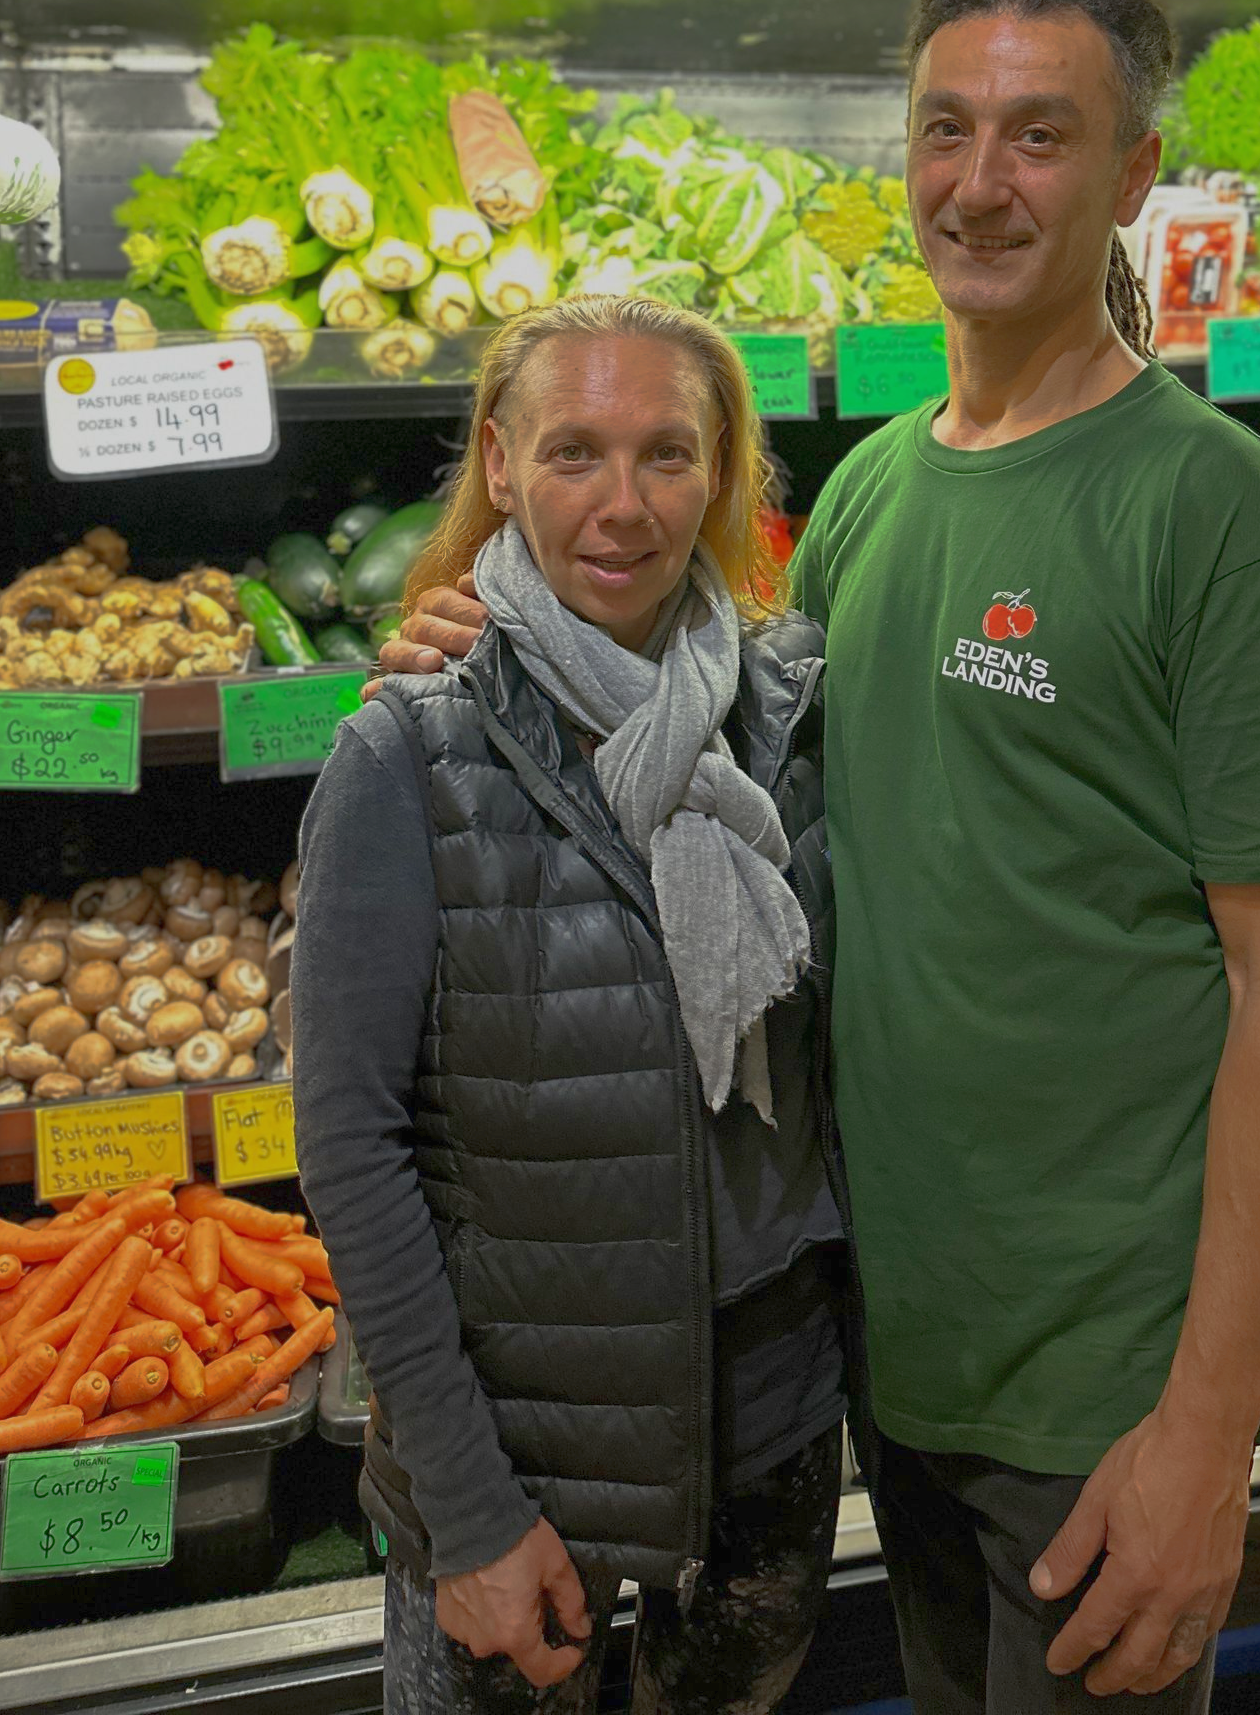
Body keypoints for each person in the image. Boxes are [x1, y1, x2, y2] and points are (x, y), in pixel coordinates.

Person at [379, 0, 1260, 1713]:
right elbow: (708, 772)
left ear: (1134, 173)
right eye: (947, 128)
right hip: (898, 1359)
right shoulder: (869, 500)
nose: (980, 183)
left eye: (1042, 137)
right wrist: (490, 630)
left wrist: (1206, 1433)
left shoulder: (1214, 509)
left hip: (1100, 1401)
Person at [295, 296, 849, 1713]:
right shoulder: (409, 746)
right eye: (571, 454)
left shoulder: (794, 715)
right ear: (498, 461)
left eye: (667, 455)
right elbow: (352, 1149)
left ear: (722, 472)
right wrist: (471, 1511)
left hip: (765, 1439)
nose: (621, 505)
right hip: (515, 1456)